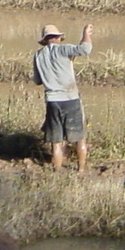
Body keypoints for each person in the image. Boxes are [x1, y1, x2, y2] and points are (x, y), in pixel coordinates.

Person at [33, 22, 92, 171]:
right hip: (70, 99)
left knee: (56, 141)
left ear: (45, 40)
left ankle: (57, 170)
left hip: (52, 101)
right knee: (79, 137)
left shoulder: (38, 55)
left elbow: (38, 81)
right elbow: (85, 49)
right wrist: (86, 33)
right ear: (58, 38)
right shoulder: (64, 50)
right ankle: (81, 170)